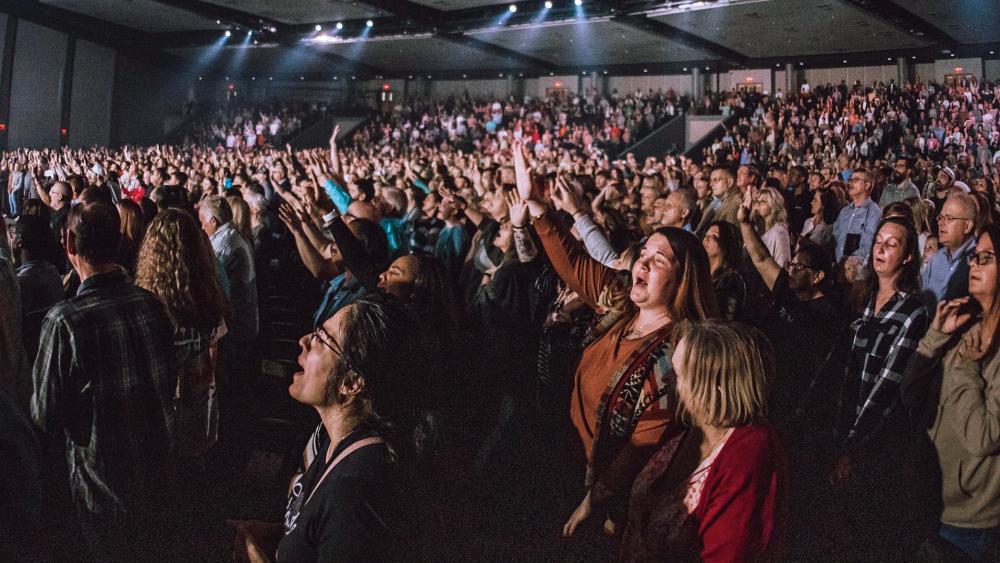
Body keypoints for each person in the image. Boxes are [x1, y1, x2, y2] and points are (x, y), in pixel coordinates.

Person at [518, 157, 717, 538]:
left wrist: (595, 499)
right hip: (566, 458)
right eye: (642, 255)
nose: (641, 265)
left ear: (683, 278)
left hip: (606, 499)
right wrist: (537, 205)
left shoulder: (678, 352)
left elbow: (644, 444)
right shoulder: (620, 301)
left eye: (657, 261)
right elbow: (574, 264)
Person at [235, 295, 442, 562]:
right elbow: (324, 529)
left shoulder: (356, 492)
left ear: (352, 383)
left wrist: (255, 556)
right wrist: (276, 535)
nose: (304, 341)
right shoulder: (333, 439)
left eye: (322, 339)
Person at [31, 200, 178, 560]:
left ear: (68, 244)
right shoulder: (152, 304)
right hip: (157, 473)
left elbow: (43, 416)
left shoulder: (65, 321)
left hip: (101, 487)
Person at [620, 320, 785, 562]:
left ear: (714, 386)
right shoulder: (688, 428)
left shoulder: (749, 453)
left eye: (677, 373)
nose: (666, 378)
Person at [827, 216, 932, 559]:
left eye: (892, 244)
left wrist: (853, 447)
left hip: (873, 443)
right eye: (878, 241)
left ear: (907, 257)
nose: (881, 249)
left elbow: (887, 386)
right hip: (840, 424)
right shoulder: (862, 297)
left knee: (861, 534)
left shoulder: (912, 311)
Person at [904, 222, 1000, 560]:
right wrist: (935, 337)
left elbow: (984, 436)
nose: (974, 265)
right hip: (930, 491)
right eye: (974, 257)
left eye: (986, 259)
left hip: (969, 519)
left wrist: (966, 365)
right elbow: (910, 394)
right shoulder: (964, 321)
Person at [135, 208, 229, 458]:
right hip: (199, 403)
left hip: (162, 412)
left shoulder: (148, 304)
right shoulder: (208, 294)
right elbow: (214, 351)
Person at [922, 193, 977, 313]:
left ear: (967, 226)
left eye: (949, 218)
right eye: (940, 217)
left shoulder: (979, 262)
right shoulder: (936, 259)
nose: (941, 223)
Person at [832, 167, 882, 263]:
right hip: (839, 267)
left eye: (856, 180)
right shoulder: (845, 211)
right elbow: (835, 236)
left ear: (867, 185)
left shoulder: (873, 212)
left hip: (857, 270)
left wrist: (848, 261)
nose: (850, 183)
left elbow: (868, 245)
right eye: (850, 180)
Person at [701, 221, 746, 321]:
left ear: (727, 245)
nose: (706, 239)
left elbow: (724, 321)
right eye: (706, 235)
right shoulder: (702, 274)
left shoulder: (731, 281)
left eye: (714, 236)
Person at [751, 186, 792, 268]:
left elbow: (782, 264)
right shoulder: (757, 228)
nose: (758, 205)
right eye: (756, 202)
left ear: (774, 205)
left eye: (763, 202)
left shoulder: (779, 232)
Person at [695, 165, 741, 236]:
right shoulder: (721, 202)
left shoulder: (734, 206)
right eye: (711, 180)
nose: (711, 184)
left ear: (730, 182)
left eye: (715, 180)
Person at [801, 187, 838, 253]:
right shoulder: (808, 222)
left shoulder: (829, 228)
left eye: (815, 200)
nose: (811, 202)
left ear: (823, 204)